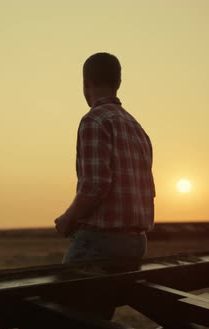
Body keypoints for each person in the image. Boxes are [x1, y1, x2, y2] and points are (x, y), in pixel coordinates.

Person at [55, 52, 155, 264]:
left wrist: (68, 219)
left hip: (101, 241)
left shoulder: (94, 121)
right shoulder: (137, 128)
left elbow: (95, 185)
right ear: (118, 82)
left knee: (61, 294)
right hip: (137, 242)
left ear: (86, 83)